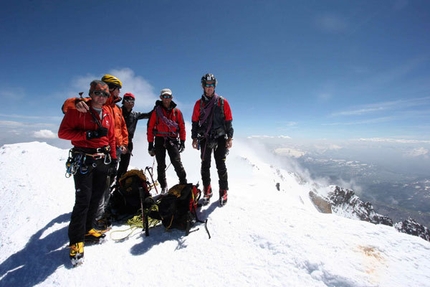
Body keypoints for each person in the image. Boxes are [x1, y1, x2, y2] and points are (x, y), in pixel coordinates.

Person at [58, 80, 117, 266]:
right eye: (98, 93)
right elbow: (63, 133)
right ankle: (76, 241)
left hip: (102, 160)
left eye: (105, 95)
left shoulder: (107, 112)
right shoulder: (78, 109)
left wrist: (113, 159)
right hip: (83, 158)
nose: (101, 97)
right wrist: (86, 136)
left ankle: (88, 229)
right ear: (91, 93)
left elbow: (112, 137)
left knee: (96, 196)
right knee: (83, 199)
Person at [62, 74, 129, 229]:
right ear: (112, 88)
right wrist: (76, 101)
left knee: (108, 182)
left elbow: (121, 128)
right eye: (118, 89)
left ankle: (98, 214)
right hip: (96, 152)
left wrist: (124, 143)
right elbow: (67, 106)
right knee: (101, 185)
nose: (119, 93)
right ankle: (96, 218)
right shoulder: (94, 104)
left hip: (114, 150)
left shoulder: (115, 108)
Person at [191, 73, 234, 207]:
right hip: (205, 137)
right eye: (207, 85)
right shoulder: (199, 104)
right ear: (203, 86)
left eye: (211, 85)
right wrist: (194, 137)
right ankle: (207, 190)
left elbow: (228, 121)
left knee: (221, 165)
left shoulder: (222, 102)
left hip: (220, 137)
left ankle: (223, 190)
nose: (209, 88)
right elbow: (194, 122)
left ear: (214, 86)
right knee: (205, 165)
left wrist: (230, 138)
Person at [147, 88, 187, 193]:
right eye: (164, 96)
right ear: (161, 98)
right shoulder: (156, 112)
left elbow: (182, 127)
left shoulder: (177, 112)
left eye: (168, 97)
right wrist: (150, 144)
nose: (166, 99)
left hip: (172, 140)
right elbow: (150, 128)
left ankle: (183, 182)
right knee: (161, 164)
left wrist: (182, 141)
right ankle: (163, 186)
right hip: (159, 140)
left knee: (177, 162)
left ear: (171, 98)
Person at [117, 92, 152, 179]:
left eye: (132, 101)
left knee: (124, 166)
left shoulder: (135, 114)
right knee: (112, 166)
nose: (130, 103)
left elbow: (148, 115)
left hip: (128, 143)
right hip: (116, 142)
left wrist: (157, 108)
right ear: (124, 101)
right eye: (128, 100)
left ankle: (118, 185)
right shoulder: (117, 112)